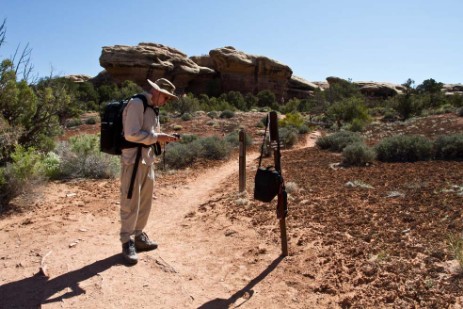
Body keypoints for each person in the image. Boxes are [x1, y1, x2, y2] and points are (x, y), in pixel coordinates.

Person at [120, 78, 180, 265]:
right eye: (166, 97)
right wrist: (158, 137)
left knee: (145, 200)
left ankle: (138, 236)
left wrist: (165, 138)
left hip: (147, 159)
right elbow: (131, 134)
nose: (167, 101)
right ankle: (126, 241)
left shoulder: (154, 108)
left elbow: (151, 134)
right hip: (133, 160)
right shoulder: (137, 103)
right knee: (130, 201)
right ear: (156, 92)